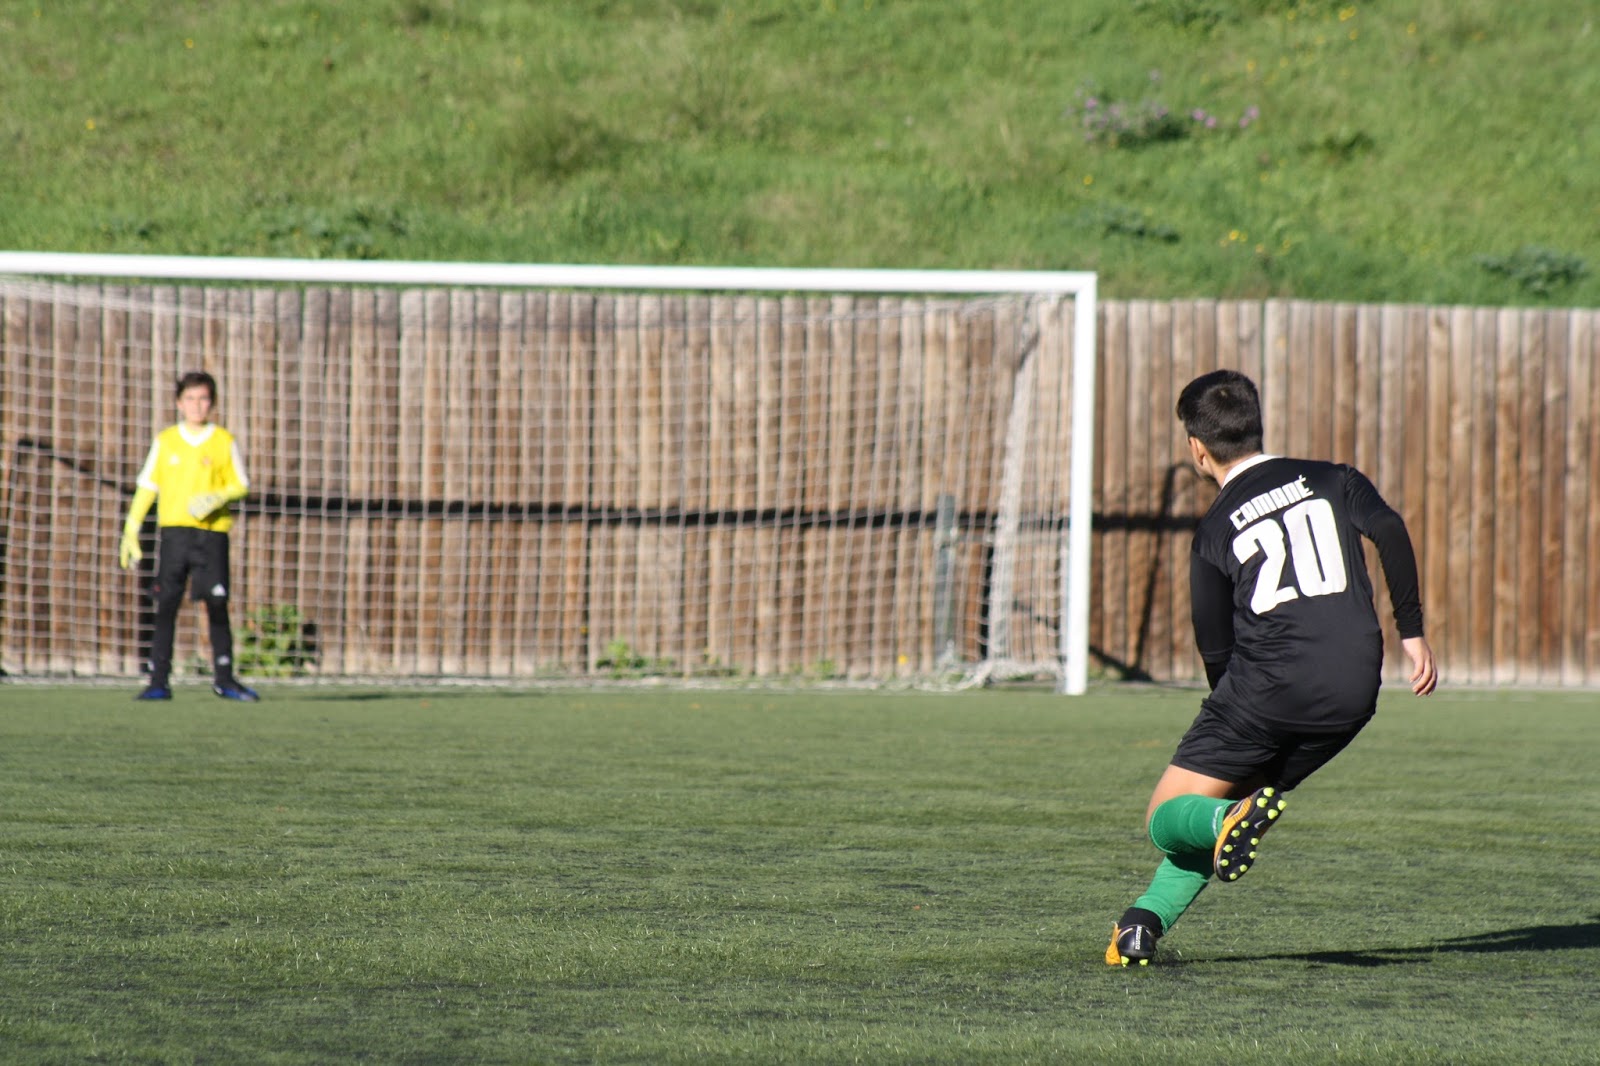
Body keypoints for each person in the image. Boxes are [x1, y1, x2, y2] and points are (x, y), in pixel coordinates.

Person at [1106, 369, 1436, 967]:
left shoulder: (1213, 528)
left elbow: (1214, 647)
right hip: (1352, 694)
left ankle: (1221, 820)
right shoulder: (1334, 478)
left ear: (1197, 449)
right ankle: (1141, 924)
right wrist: (1411, 632)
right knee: (1229, 807)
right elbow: (1388, 527)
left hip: (1265, 693)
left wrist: (1231, 722)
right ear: (1257, 427)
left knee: (1168, 816)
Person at [119, 370, 260, 702]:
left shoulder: (223, 441)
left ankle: (225, 679)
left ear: (212, 403)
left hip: (211, 535)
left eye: (203, 398)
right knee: (166, 603)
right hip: (175, 535)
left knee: (217, 603)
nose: (197, 405)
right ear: (179, 403)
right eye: (191, 398)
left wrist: (218, 496)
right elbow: (147, 486)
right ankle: (158, 681)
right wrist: (131, 528)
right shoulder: (166, 441)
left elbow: (241, 484)